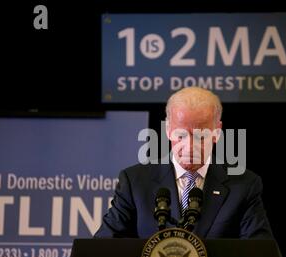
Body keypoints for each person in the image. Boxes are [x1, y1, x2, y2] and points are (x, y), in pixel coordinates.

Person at [94, 87, 273, 239]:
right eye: (181, 135)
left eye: (200, 136)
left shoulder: (244, 185)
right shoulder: (134, 182)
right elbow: (103, 248)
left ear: (217, 133)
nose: (189, 146)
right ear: (168, 130)